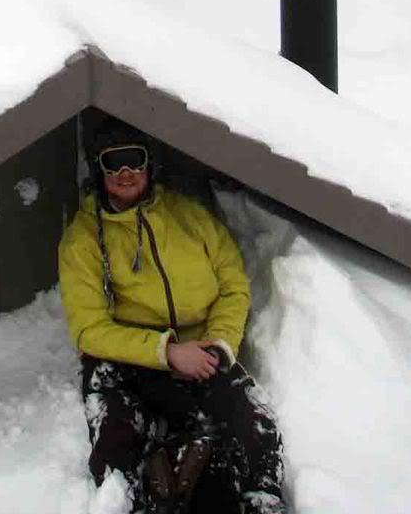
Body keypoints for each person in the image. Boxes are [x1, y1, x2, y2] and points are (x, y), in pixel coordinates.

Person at [58, 116, 286, 514]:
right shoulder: (83, 239)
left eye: (134, 159)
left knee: (248, 421)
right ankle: (129, 496)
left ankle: (254, 497)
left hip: (201, 350)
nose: (126, 172)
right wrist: (166, 352)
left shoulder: (191, 217)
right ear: (99, 169)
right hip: (129, 358)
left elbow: (233, 285)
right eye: (114, 163)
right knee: (117, 428)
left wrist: (218, 344)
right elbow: (89, 329)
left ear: (149, 165)